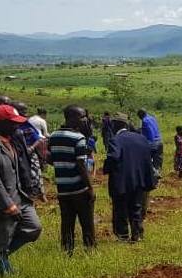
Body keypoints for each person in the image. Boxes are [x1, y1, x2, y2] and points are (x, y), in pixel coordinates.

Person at [0, 104, 43, 276]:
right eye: (12, 122)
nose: (16, 125)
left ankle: (2, 256)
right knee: (2, 238)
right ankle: (1, 275)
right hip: (0, 203)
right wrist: (9, 205)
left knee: (33, 227)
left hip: (19, 196)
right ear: (0, 122)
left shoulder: (11, 139)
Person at [47, 105, 96, 255]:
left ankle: (67, 251)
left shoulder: (53, 136)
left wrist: (64, 164)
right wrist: (90, 188)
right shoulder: (78, 138)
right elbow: (82, 166)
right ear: (72, 118)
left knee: (67, 221)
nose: (85, 120)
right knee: (86, 221)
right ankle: (90, 250)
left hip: (62, 188)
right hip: (79, 188)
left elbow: (50, 159)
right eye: (82, 117)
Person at [104, 112, 156, 243]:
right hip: (139, 180)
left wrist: (107, 168)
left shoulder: (115, 140)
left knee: (121, 209)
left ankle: (123, 236)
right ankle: (137, 234)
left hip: (122, 181)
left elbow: (113, 157)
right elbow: (149, 155)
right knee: (137, 206)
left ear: (115, 125)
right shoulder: (141, 138)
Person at [136, 108, 164, 176]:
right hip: (160, 141)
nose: (139, 118)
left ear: (141, 114)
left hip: (153, 142)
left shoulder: (144, 121)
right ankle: (158, 174)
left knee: (146, 158)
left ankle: (153, 174)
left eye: (139, 116)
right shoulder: (152, 118)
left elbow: (150, 133)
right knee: (158, 159)